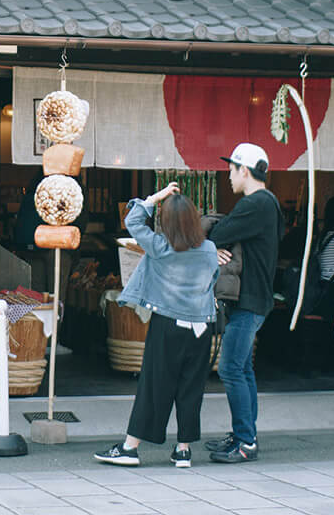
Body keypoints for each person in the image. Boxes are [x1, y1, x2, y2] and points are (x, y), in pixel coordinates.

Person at [94, 182, 218, 468]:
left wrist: (155, 197)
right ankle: (183, 450)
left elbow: (133, 221)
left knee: (154, 386)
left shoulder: (161, 247)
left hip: (168, 325)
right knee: (191, 388)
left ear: (166, 222)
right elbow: (211, 282)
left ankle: (130, 447)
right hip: (201, 328)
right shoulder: (210, 249)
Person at [205, 143, 284, 464]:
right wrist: (219, 246)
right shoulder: (267, 203)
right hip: (255, 298)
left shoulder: (257, 203)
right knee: (243, 369)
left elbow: (217, 232)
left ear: (244, 171)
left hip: (250, 299)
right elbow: (223, 237)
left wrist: (218, 243)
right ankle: (244, 433)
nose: (228, 176)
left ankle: (245, 442)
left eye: (231, 169)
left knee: (231, 368)